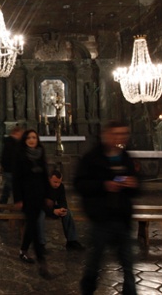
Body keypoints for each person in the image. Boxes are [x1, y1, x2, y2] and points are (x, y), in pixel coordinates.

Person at [74, 120, 140, 295]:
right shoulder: (91, 158)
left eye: (123, 134)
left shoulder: (126, 157)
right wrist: (104, 185)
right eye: (116, 134)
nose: (120, 138)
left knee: (128, 265)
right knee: (94, 263)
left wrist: (134, 184)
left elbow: (138, 184)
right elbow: (79, 185)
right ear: (106, 135)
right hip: (101, 219)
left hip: (122, 219)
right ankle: (87, 290)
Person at [13, 129, 52, 279]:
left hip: (40, 195)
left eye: (34, 137)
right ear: (25, 140)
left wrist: (48, 195)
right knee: (34, 227)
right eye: (29, 137)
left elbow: (45, 175)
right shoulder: (20, 155)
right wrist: (18, 199)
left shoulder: (41, 153)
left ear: (37, 139)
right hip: (27, 197)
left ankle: (23, 250)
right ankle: (42, 262)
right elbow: (16, 179)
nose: (31, 140)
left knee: (32, 224)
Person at [37, 170, 84, 251]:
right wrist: (53, 211)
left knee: (67, 212)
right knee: (39, 215)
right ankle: (40, 244)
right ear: (49, 179)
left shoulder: (60, 187)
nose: (57, 184)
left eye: (59, 182)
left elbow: (62, 200)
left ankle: (71, 241)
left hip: (50, 208)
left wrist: (62, 208)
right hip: (38, 207)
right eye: (55, 182)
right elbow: (38, 203)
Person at [0, 126, 23, 205]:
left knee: (7, 188)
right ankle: (17, 204)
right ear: (16, 133)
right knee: (14, 188)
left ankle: (1, 205)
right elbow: (9, 157)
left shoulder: (12, 142)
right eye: (20, 133)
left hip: (10, 170)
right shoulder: (12, 142)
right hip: (10, 170)